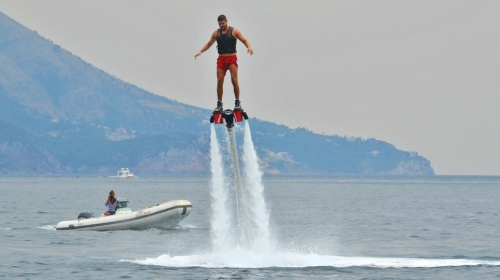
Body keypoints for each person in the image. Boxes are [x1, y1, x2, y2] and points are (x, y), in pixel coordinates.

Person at [195, 14, 253, 112]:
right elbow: (209, 43)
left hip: (232, 58)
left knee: (234, 80)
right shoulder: (216, 33)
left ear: (226, 21)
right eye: (220, 24)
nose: (221, 25)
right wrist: (201, 51)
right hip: (221, 59)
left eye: (223, 23)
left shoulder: (234, 31)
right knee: (219, 81)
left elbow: (244, 40)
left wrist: (249, 47)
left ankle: (237, 102)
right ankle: (219, 103)